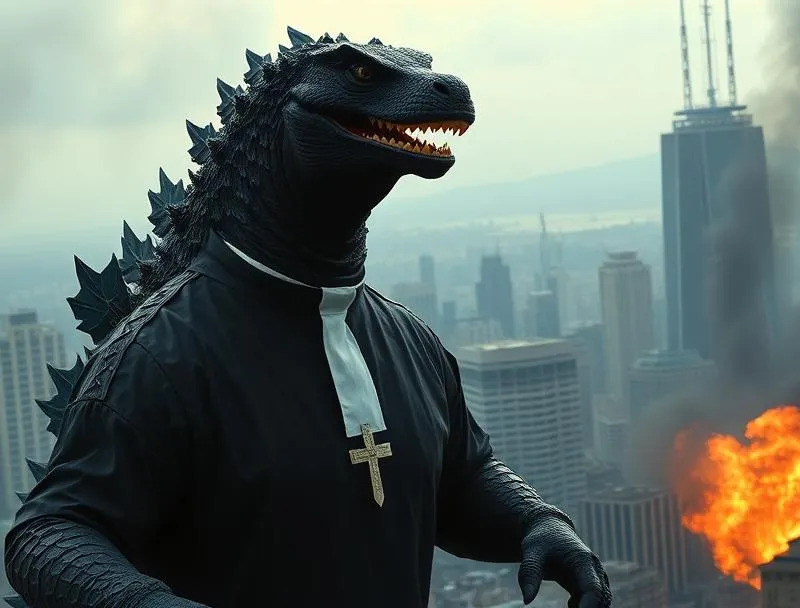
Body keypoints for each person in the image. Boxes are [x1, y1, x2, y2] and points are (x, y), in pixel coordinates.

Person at [4, 29, 612, 608]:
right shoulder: (161, 355)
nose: (430, 88)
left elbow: (460, 473)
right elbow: (47, 536)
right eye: (360, 77)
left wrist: (537, 521)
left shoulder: (409, 342)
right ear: (285, 118)